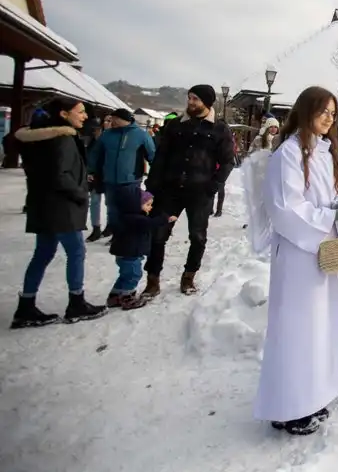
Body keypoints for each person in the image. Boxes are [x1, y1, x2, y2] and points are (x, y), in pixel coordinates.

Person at [253, 86, 338, 436]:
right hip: (299, 255)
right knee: (298, 331)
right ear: (305, 111)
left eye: (333, 113)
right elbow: (286, 209)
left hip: (325, 254)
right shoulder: (289, 154)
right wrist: (329, 215)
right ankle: (288, 407)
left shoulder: (326, 152)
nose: (329, 118)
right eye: (323, 111)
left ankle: (311, 397)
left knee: (321, 329)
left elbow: (331, 196)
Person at [11, 97, 108, 328]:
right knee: (76, 252)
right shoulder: (63, 138)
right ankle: (76, 303)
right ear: (64, 114)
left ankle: (26, 306)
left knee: (43, 253)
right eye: (81, 112)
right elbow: (60, 175)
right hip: (61, 207)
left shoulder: (41, 136)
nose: (85, 117)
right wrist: (80, 193)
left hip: (43, 204)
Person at [144, 85, 235, 297]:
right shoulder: (175, 125)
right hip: (170, 190)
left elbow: (228, 161)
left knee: (198, 237)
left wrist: (212, 186)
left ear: (207, 102)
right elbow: (161, 157)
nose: (191, 102)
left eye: (195, 99)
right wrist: (152, 186)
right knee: (158, 235)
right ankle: (152, 281)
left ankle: (188, 277)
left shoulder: (220, 129)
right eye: (189, 98)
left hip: (200, 192)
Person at [87, 108, 156, 235]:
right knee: (111, 208)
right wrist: (91, 170)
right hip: (109, 179)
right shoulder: (107, 135)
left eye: (113, 119)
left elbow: (152, 156)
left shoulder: (141, 135)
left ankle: (123, 233)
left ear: (121, 119)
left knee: (128, 208)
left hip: (131, 180)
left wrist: (156, 175)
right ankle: (113, 230)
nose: (111, 121)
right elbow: (95, 154)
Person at [107, 188, 176, 309]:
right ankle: (127, 297)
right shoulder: (136, 219)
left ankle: (115, 295)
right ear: (136, 205)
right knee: (134, 275)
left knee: (125, 275)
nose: (150, 207)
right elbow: (150, 224)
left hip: (126, 253)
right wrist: (165, 219)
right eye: (147, 205)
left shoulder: (128, 216)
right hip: (130, 253)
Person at [83, 117, 107, 241]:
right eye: (94, 130)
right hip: (94, 175)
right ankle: (96, 228)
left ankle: (110, 227)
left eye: (97, 129)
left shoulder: (109, 140)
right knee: (95, 201)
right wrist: (89, 172)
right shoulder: (90, 142)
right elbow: (88, 158)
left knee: (110, 204)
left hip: (108, 175)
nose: (95, 132)